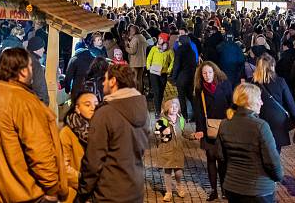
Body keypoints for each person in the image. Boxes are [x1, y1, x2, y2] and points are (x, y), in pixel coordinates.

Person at [0, 47, 68, 202]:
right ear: (23, 71)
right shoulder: (24, 102)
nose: (32, 70)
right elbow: (40, 152)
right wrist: (52, 188)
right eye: (30, 66)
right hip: (23, 192)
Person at [78, 64, 150, 203]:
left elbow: (93, 161)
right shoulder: (143, 111)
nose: (103, 83)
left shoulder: (105, 113)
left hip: (110, 193)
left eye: (105, 79)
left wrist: (83, 193)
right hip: (135, 189)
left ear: (113, 81)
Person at [216, 82, 283, 203]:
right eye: (259, 98)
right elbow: (272, 161)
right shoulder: (260, 126)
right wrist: (278, 177)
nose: (262, 102)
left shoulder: (224, 124)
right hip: (258, 190)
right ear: (250, 101)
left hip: (233, 187)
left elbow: (221, 157)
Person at [193, 61, 233, 201]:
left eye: (209, 72)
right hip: (207, 128)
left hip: (224, 127)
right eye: (204, 73)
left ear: (215, 72)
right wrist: (199, 129)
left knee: (223, 160)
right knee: (211, 159)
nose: (207, 75)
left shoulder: (225, 84)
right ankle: (213, 190)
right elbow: (198, 111)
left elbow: (232, 104)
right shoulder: (200, 89)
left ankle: (224, 189)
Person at [253, 53, 295, 153]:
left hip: (259, 120)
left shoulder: (252, 83)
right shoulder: (280, 81)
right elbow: (290, 102)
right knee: (275, 152)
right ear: (272, 66)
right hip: (278, 122)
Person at [60, 92, 98, 202]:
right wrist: (85, 182)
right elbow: (63, 167)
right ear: (77, 108)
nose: (93, 108)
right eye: (87, 105)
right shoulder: (67, 132)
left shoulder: (101, 130)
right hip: (76, 193)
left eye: (96, 104)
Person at [155, 97, 195, 201]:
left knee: (178, 172)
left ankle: (179, 186)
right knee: (167, 172)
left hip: (178, 151)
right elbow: (157, 136)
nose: (174, 108)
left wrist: (193, 136)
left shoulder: (180, 119)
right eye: (171, 106)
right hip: (167, 151)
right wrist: (164, 134)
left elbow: (184, 133)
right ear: (166, 108)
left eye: (176, 106)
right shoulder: (162, 120)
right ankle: (168, 192)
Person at [170, 34, 198, 121]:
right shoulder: (192, 51)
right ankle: (196, 115)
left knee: (182, 97)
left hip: (181, 78)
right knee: (190, 96)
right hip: (191, 77)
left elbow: (176, 65)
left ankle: (185, 116)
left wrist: (173, 78)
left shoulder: (180, 51)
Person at [146, 34, 174, 114]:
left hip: (163, 74)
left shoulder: (169, 51)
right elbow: (149, 58)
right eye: (158, 38)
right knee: (156, 91)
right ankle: (157, 111)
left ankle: (159, 106)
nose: (159, 39)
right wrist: (148, 67)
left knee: (161, 92)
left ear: (165, 40)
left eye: (161, 38)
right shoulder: (154, 49)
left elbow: (172, 61)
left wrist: (169, 69)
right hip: (154, 73)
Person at [124, 25, 147, 94]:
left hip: (135, 62)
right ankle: (140, 92)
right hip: (142, 62)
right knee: (140, 79)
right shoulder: (142, 37)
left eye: (130, 31)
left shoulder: (135, 38)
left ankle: (135, 94)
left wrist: (126, 47)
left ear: (134, 31)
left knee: (134, 79)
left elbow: (132, 51)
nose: (130, 32)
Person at [27, 36, 49, 105]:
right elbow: (39, 86)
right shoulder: (35, 64)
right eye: (42, 48)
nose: (44, 50)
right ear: (36, 49)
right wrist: (45, 103)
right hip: (35, 103)